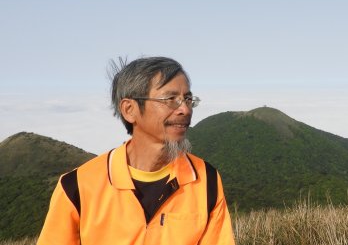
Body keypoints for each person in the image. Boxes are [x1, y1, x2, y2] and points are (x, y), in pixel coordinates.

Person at [37, 56, 235, 245]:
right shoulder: (77, 186)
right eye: (170, 99)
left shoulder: (206, 180)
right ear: (129, 109)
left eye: (188, 99)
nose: (185, 109)